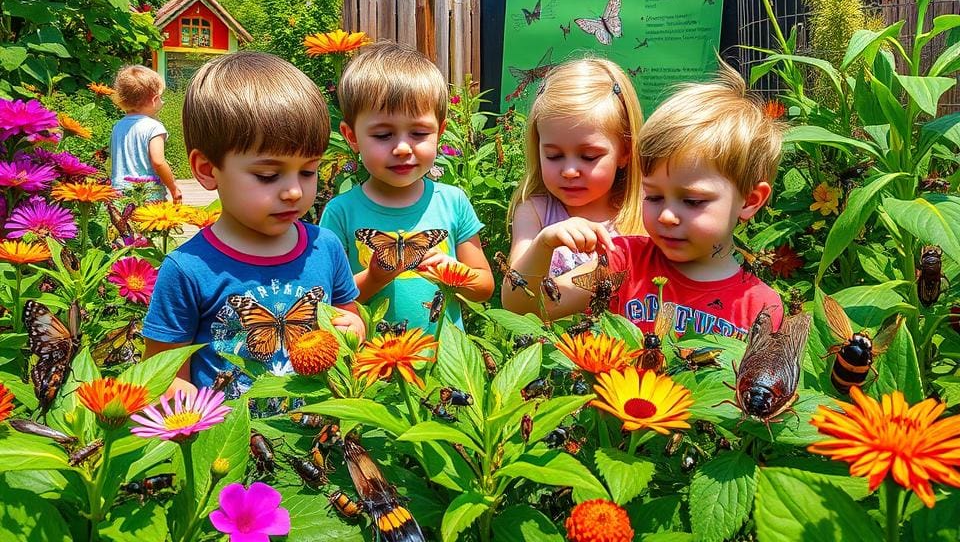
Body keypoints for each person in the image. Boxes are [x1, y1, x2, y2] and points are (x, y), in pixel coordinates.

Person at [142, 52, 364, 400]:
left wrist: (356, 329)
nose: (293, 191)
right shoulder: (187, 270)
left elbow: (348, 319)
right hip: (231, 446)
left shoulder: (327, 247)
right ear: (206, 169)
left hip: (323, 439)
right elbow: (162, 377)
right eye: (268, 175)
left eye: (308, 170)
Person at [544, 61, 785, 338]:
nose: (666, 216)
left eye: (692, 201)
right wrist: (542, 247)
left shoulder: (763, 308)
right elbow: (531, 306)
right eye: (653, 196)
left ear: (750, 200)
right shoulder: (623, 262)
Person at [320, 42, 494, 332]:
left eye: (418, 133)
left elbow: (485, 286)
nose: (402, 148)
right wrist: (375, 277)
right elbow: (327, 303)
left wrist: (452, 273)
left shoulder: (452, 201)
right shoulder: (341, 212)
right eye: (383, 134)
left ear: (439, 132)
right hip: (371, 365)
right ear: (352, 137)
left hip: (445, 366)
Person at [502, 57, 644, 315]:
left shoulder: (643, 214)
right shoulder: (534, 211)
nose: (569, 171)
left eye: (589, 157)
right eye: (554, 156)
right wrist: (544, 244)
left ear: (625, 151)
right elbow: (517, 304)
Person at [109, 65, 181, 202]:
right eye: (161, 97)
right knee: (152, 224)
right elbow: (158, 162)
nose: (163, 101)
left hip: (118, 193)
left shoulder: (118, 126)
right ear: (154, 100)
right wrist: (173, 188)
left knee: (125, 224)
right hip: (148, 194)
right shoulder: (154, 127)